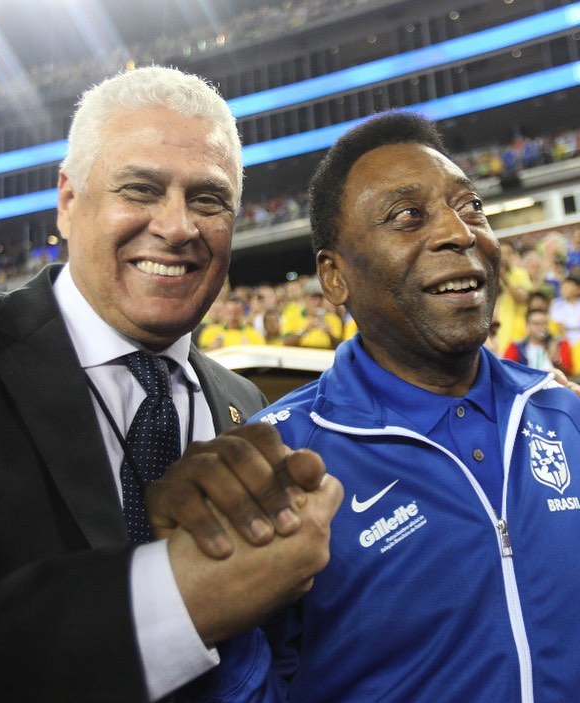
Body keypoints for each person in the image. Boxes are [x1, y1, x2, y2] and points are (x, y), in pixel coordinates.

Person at [0, 66, 343, 702]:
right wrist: (178, 600)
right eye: (141, 189)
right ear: (68, 201)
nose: (177, 226)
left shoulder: (245, 403)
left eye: (208, 200)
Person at [181, 111, 580, 701]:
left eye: (471, 207)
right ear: (334, 278)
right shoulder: (280, 464)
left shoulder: (561, 414)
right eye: (408, 216)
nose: (460, 232)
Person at [503, 307, 573, 376]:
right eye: (536, 324)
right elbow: (506, 370)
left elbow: (569, 373)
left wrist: (557, 362)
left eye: (545, 323)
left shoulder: (560, 344)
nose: (542, 327)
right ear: (527, 326)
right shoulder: (516, 347)